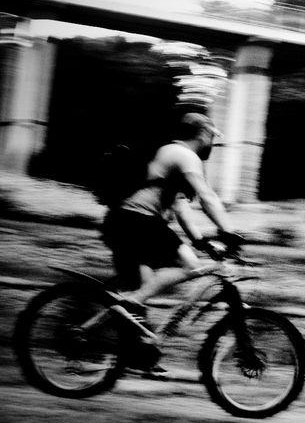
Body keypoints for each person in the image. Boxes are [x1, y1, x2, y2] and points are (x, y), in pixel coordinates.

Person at [101, 112, 240, 344]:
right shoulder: (183, 154)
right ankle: (131, 302)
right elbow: (207, 197)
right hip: (137, 221)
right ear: (203, 134)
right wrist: (229, 231)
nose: (212, 143)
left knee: (141, 290)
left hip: (122, 221)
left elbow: (180, 207)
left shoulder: (171, 156)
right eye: (212, 136)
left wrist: (199, 241)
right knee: (190, 265)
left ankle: (138, 357)